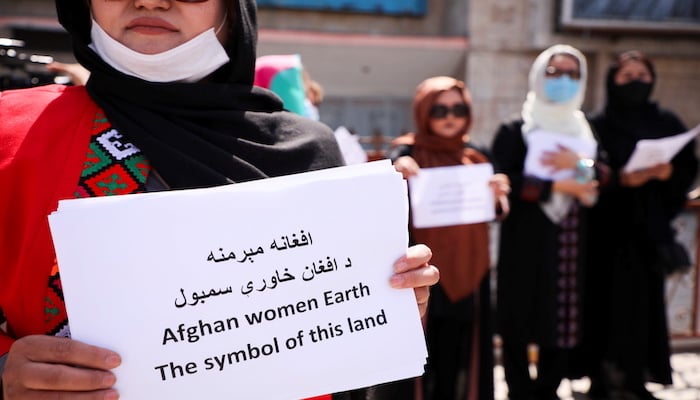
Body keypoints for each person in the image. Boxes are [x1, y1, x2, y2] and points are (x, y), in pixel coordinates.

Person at [0, 1, 439, 399]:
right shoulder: (13, 132)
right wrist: (6, 373)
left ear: (232, 10)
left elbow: (339, 364)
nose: (150, 0)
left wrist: (384, 300)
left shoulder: (306, 151)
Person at [490, 44, 609, 400]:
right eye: (554, 72)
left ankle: (547, 389)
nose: (564, 80)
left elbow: (603, 173)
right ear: (539, 75)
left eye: (573, 74)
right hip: (525, 236)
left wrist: (579, 164)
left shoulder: (583, 129)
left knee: (562, 314)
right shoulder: (516, 128)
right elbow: (503, 178)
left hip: (569, 237)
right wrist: (555, 185)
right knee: (518, 314)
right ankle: (518, 389)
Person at [583, 50, 699, 400]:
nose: (636, 82)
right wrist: (620, 180)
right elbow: (588, 171)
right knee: (603, 305)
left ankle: (636, 379)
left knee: (642, 309)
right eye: (627, 75)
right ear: (612, 81)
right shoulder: (597, 124)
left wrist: (668, 173)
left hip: (648, 233)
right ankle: (601, 380)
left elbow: (686, 168)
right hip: (604, 231)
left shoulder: (666, 121)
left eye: (643, 75)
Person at [387, 76, 510, 400]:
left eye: (458, 108)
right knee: (423, 353)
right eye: (439, 109)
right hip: (421, 270)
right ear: (424, 112)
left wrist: (498, 194)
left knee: (463, 350)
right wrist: (395, 172)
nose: (449, 116)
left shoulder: (477, 156)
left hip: (470, 270)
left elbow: (494, 210)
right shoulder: (407, 150)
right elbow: (383, 203)